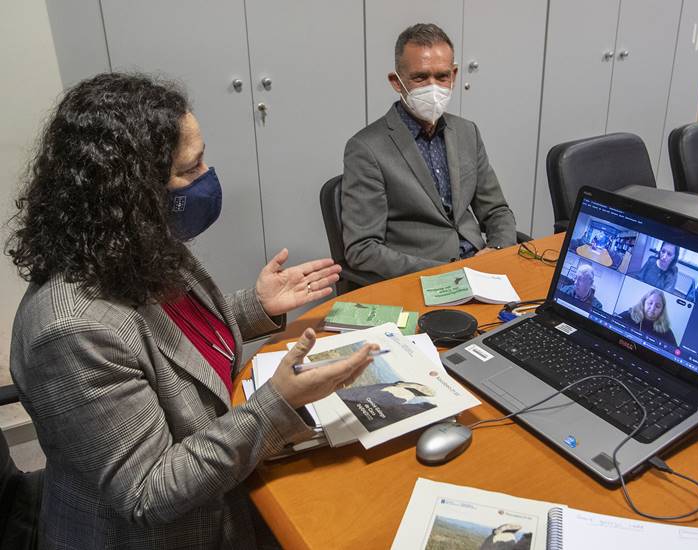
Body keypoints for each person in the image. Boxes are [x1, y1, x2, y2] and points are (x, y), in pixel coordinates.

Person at [6, 73, 378, 549]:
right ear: (131, 188)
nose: (209, 178)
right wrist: (276, 404)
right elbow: (150, 493)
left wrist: (255, 307)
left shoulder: (136, 244)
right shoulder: (70, 329)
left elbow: (171, 343)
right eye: (191, 167)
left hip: (222, 489)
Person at [341, 23, 517, 279]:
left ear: (454, 75)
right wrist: (446, 273)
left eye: (442, 76)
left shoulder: (467, 132)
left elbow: (497, 211)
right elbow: (362, 249)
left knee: (536, 315)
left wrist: (498, 250)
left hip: (482, 268)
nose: (433, 87)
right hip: (423, 278)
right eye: (420, 77)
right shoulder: (367, 149)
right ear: (396, 82)